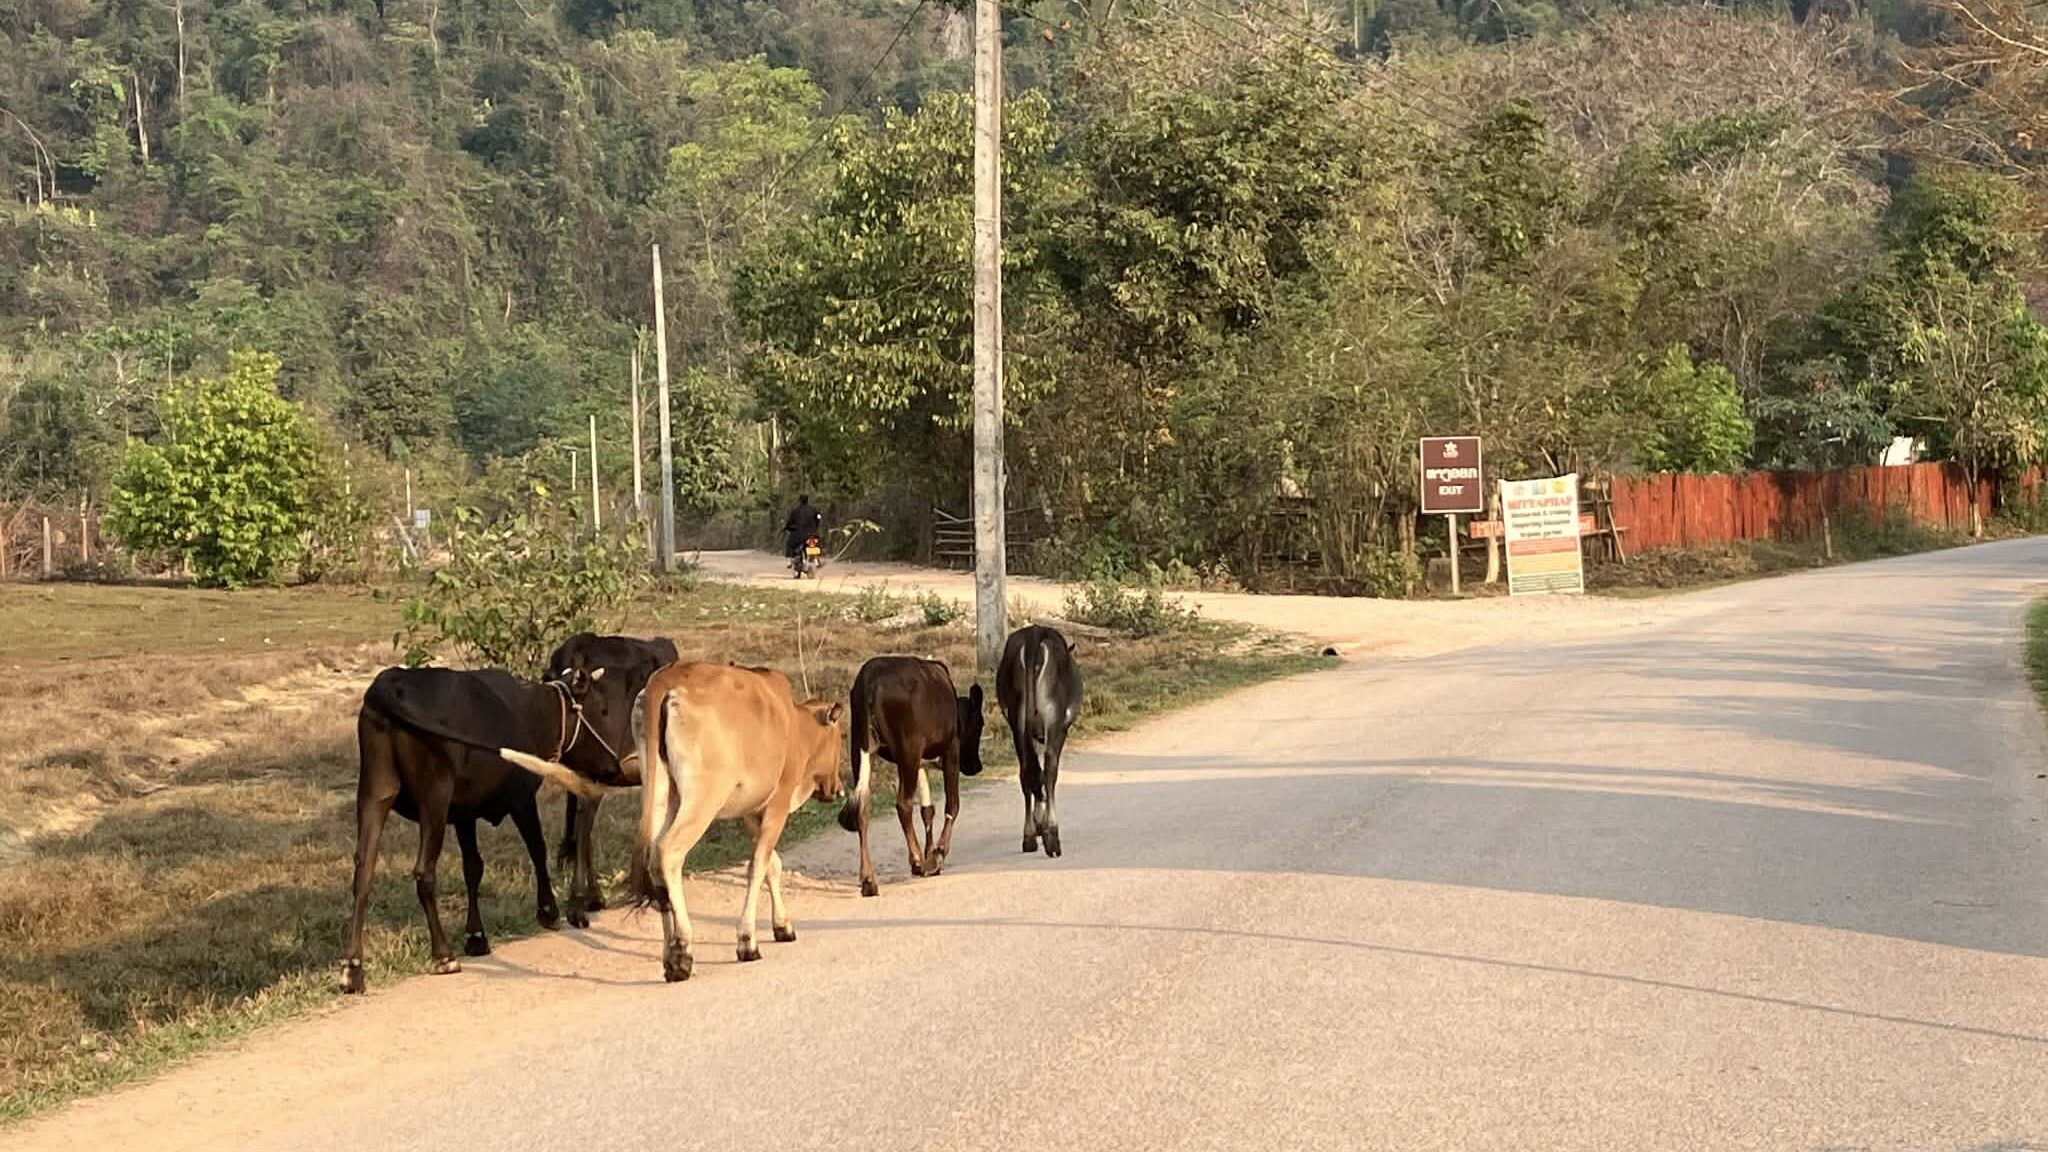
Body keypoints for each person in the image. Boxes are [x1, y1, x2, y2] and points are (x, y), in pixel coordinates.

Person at [783, 494, 823, 561]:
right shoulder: (814, 509)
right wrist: (816, 526)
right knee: (817, 542)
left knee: (790, 544)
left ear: (799, 501)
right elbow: (818, 518)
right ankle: (817, 558)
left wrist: (786, 527)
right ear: (807, 500)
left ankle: (790, 560)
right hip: (812, 533)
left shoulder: (795, 511)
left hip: (798, 535)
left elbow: (789, 522)